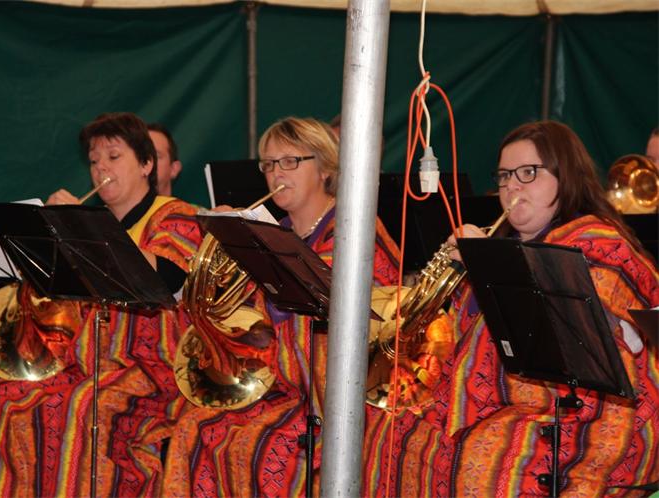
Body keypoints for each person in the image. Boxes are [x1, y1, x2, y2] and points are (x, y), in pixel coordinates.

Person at [362, 120, 658, 496]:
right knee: (386, 430)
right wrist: (454, 278)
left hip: (584, 412)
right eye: (504, 176)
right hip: (493, 400)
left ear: (566, 177)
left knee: (481, 471)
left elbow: (595, 333)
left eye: (528, 173)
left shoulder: (598, 241)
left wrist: (489, 263)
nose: (512, 186)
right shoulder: (504, 241)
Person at [0, 112, 203, 497]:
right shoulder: (97, 219)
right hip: (84, 365)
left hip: (151, 369)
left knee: (82, 407)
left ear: (146, 164)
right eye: (94, 161)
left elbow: (165, 280)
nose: (100, 168)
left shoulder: (177, 215)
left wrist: (79, 228)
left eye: (113, 156)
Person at [162, 116, 400, 496]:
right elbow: (241, 318)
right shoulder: (277, 230)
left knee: (261, 449)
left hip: (338, 396)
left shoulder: (355, 229)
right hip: (282, 384)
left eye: (290, 161)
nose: (277, 173)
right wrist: (229, 243)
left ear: (325, 168)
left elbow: (367, 316)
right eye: (270, 164)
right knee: (192, 428)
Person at [147, 123, 182, 197]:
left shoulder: (189, 206)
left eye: (156, 156)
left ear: (174, 169)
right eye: (139, 156)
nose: (147, 162)